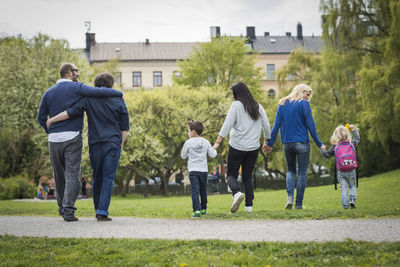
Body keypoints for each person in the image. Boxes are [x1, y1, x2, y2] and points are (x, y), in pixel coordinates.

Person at [37, 63, 123, 222]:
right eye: (76, 71)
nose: (78, 74)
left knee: (58, 175)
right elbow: (99, 91)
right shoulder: (78, 88)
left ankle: (61, 209)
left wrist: (50, 130)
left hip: (54, 139)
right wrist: (119, 93)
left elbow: (41, 117)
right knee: (72, 175)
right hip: (72, 137)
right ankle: (69, 211)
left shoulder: (48, 93)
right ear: (69, 73)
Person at [265, 83, 325, 210]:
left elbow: (276, 125)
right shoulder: (304, 104)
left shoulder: (282, 103)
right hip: (302, 143)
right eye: (307, 94)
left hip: (287, 143)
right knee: (302, 173)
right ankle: (298, 204)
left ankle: (289, 198)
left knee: (291, 171)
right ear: (300, 91)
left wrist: (270, 143)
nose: (308, 98)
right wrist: (319, 143)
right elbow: (310, 125)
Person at [213, 82, 271, 213]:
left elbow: (227, 125)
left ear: (237, 93)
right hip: (253, 148)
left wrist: (218, 142)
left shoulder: (236, 106)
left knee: (231, 175)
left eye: (232, 92)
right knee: (247, 177)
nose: (232, 95)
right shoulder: (258, 106)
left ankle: (236, 193)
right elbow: (266, 126)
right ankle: (249, 207)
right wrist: (266, 141)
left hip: (237, 147)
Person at [181, 120, 217, 218]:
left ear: (193, 132)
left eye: (188, 131)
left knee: (195, 191)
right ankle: (203, 208)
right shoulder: (206, 142)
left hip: (193, 170)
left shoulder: (188, 143)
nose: (188, 133)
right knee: (203, 190)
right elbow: (212, 155)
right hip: (204, 171)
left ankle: (196, 210)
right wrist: (214, 148)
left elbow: (183, 156)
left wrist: (189, 154)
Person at [321, 124, 360, 209]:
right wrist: (353, 129)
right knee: (352, 186)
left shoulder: (335, 146)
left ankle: (345, 206)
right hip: (351, 169)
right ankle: (352, 200)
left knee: (344, 188)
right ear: (347, 134)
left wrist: (323, 149)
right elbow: (357, 139)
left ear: (336, 136)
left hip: (341, 171)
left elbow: (327, 155)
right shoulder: (351, 143)